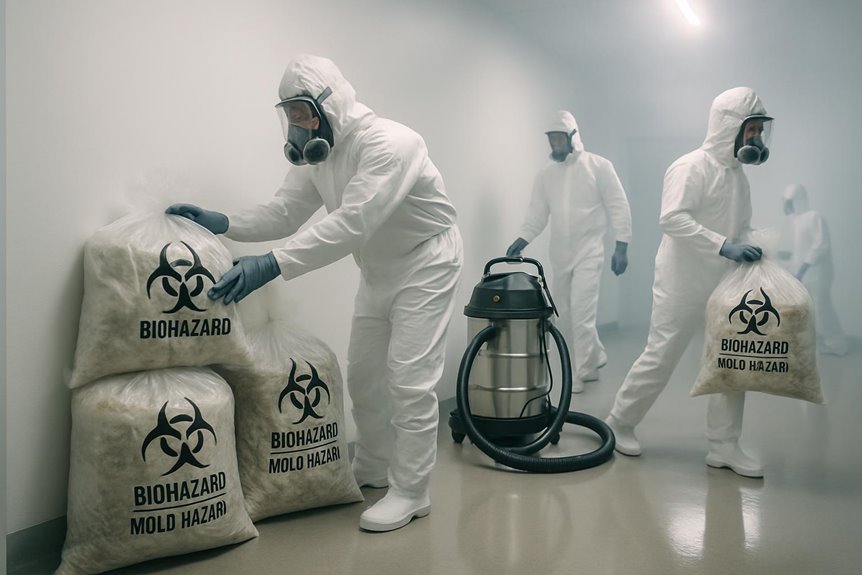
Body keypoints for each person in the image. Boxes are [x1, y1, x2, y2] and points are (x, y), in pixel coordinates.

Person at [167, 54, 463, 532]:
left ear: (331, 105)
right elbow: (284, 213)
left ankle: (411, 491)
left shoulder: (391, 143)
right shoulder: (318, 156)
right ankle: (372, 465)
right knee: (364, 374)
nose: (296, 124)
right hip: (377, 268)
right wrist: (224, 221)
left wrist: (273, 264)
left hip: (426, 262)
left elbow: (352, 222)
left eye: (302, 112)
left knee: (409, 381)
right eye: (289, 114)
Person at [604, 87, 773, 478]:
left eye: (760, 133)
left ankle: (724, 445)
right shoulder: (690, 166)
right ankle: (619, 421)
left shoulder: (738, 176)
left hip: (725, 283)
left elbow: (741, 224)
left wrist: (755, 243)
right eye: (752, 131)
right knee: (662, 355)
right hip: (682, 280)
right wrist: (723, 245)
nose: (757, 141)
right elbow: (672, 219)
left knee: (729, 362)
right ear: (729, 126)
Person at [506, 111, 632, 393]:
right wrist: (522, 239)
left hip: (590, 251)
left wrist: (621, 245)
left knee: (583, 314)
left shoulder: (598, 167)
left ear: (573, 137)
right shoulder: (546, 175)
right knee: (563, 313)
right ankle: (595, 355)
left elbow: (617, 205)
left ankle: (579, 372)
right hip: (560, 254)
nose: (555, 144)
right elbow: (537, 214)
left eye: (560, 138)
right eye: (551, 139)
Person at [780, 184, 849, 355]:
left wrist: (802, 269)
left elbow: (820, 246)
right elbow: (803, 250)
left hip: (818, 273)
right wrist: (786, 255)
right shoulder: (796, 220)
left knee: (821, 307)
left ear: (798, 200)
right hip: (805, 273)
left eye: (789, 201)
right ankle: (820, 342)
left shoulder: (814, 217)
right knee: (807, 308)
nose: (786, 206)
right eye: (785, 202)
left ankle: (838, 345)